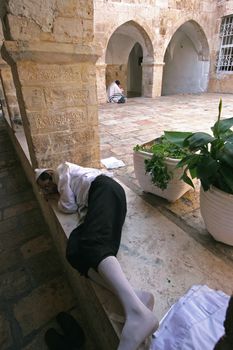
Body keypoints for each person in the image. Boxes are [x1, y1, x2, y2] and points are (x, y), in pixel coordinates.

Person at [35, 162, 158, 350]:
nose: (48, 189)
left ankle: (137, 313)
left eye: (46, 185)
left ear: (48, 175)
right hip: (97, 201)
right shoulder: (63, 179)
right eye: (44, 189)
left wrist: (55, 196)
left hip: (105, 190)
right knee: (75, 251)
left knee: (94, 244)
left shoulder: (61, 173)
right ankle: (137, 298)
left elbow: (68, 205)